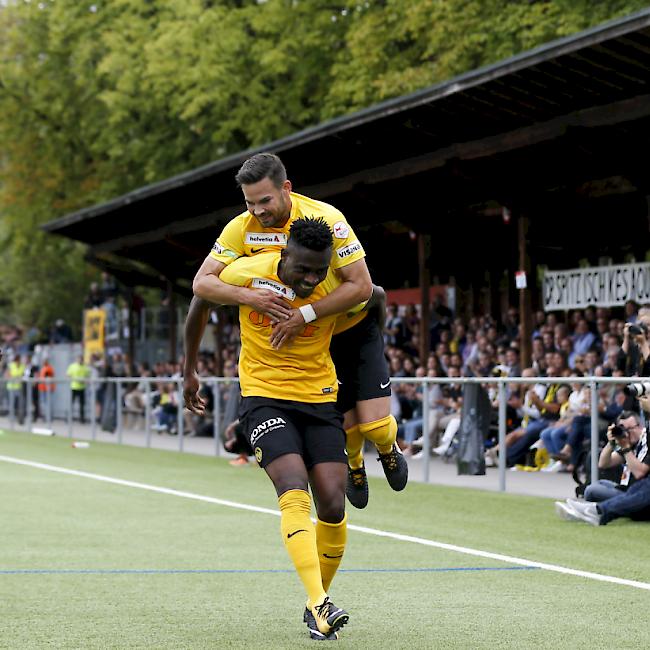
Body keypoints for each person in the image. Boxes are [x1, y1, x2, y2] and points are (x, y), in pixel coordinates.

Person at [184, 152, 406, 510]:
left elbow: (364, 287)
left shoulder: (327, 219)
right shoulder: (241, 229)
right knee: (346, 430)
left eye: (265, 200)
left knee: (376, 426)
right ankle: (354, 467)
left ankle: (387, 447)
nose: (257, 211)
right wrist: (249, 296)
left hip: (345, 330)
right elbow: (202, 284)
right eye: (249, 202)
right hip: (310, 348)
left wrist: (304, 314)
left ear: (286, 188)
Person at [208, 218, 350, 640]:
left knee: (333, 505)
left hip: (320, 399)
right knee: (293, 487)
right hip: (264, 396)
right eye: (302, 269)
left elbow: (371, 300)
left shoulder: (335, 288)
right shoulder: (249, 271)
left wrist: (373, 392)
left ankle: (315, 603)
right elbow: (202, 289)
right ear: (283, 255)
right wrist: (188, 369)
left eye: (318, 271)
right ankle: (321, 604)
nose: (310, 279)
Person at [555, 411, 650, 525]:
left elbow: (639, 472)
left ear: (640, 426)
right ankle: (593, 509)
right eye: (624, 429)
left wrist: (626, 448)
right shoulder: (630, 444)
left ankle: (592, 510)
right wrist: (611, 443)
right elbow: (603, 464)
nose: (627, 433)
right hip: (628, 489)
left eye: (630, 429)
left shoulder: (645, 444)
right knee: (598, 484)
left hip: (636, 492)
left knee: (592, 490)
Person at [66, 355, 91, 423]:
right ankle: (69, 418)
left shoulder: (85, 367)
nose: (80, 360)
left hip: (82, 388)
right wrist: (74, 379)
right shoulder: (72, 366)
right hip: (74, 387)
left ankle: (82, 419)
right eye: (79, 359)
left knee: (82, 404)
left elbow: (88, 376)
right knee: (71, 404)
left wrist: (84, 381)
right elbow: (68, 375)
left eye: (81, 359)